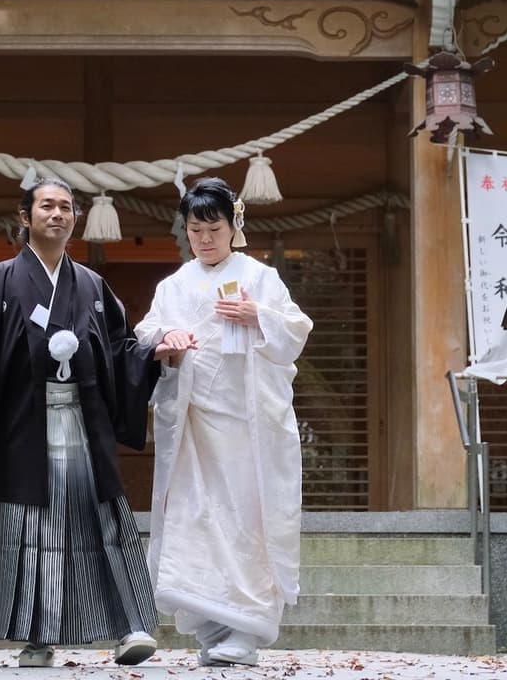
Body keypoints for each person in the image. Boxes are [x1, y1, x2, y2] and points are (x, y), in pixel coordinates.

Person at [0, 177, 172, 668]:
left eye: (65, 207)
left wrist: (152, 353)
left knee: (101, 522)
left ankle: (130, 628)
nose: (57, 214)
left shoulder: (93, 286)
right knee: (32, 530)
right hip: (24, 425)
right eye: (46, 207)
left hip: (83, 424)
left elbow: (121, 349)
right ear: (25, 217)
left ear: (74, 219)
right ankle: (38, 636)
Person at [133, 176, 312, 667]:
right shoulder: (173, 285)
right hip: (193, 424)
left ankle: (247, 632)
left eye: (214, 228)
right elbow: (146, 332)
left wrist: (259, 316)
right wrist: (165, 338)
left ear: (234, 226)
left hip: (247, 427)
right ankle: (214, 626)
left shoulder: (260, 277)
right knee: (194, 520)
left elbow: (295, 329)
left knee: (244, 521)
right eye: (195, 229)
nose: (205, 239)